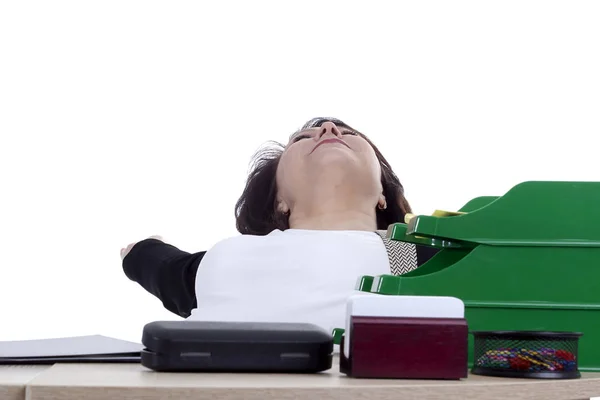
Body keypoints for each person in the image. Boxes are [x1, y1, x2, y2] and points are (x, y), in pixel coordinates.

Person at [121, 117, 438, 333]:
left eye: (349, 134)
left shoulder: (424, 260)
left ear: (382, 194)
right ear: (279, 200)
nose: (328, 129)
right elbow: (162, 267)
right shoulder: (228, 258)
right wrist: (141, 251)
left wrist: (140, 252)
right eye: (302, 138)